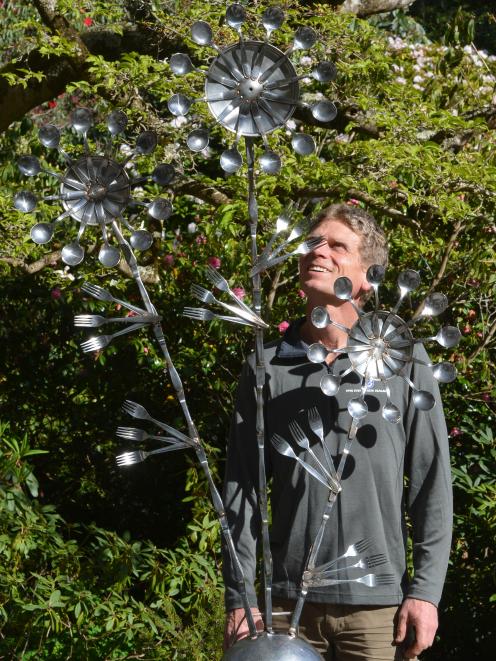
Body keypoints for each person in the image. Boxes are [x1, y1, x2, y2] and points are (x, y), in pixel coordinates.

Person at [222, 204, 453, 660]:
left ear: (368, 276)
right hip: (285, 607)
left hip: (376, 610)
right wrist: (241, 595)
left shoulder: (405, 362)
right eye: (312, 243)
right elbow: (242, 490)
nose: (317, 252)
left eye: (336, 246)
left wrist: (425, 593)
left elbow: (432, 486)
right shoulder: (267, 366)